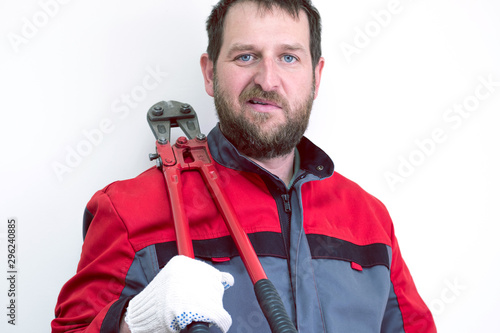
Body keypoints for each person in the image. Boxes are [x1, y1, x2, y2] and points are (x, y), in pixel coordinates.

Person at [52, 0, 437, 332]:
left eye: (289, 57)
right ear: (209, 72)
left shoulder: (369, 219)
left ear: (316, 77)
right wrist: (134, 321)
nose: (268, 80)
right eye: (245, 56)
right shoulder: (128, 209)